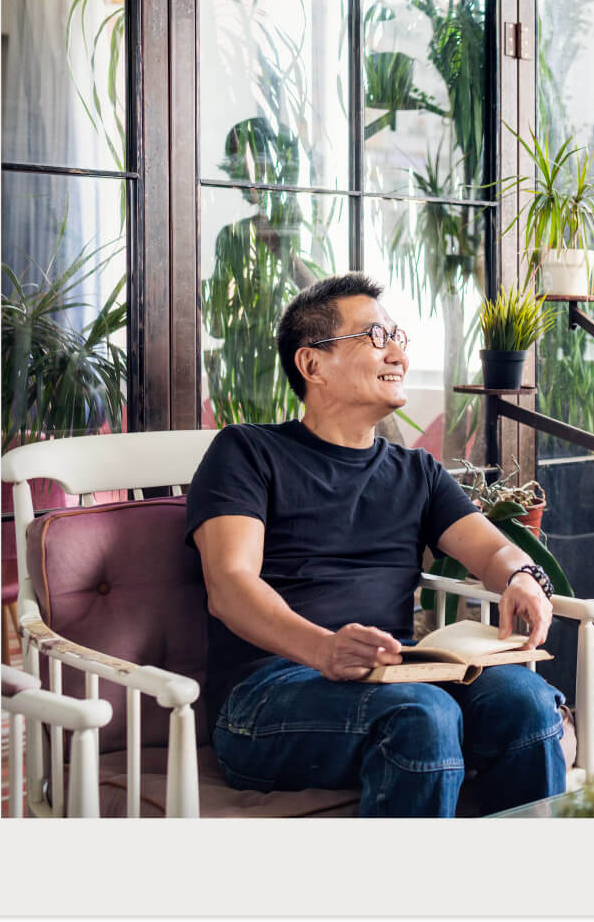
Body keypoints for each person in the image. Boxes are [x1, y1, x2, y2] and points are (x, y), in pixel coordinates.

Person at [187, 272, 567, 817]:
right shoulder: (247, 452)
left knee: (525, 703)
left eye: (398, 339)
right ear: (312, 364)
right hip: (268, 693)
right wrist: (323, 649)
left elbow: (493, 550)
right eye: (375, 337)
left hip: (394, 676)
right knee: (422, 715)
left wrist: (522, 577)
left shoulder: (417, 471)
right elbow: (229, 584)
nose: (397, 355)